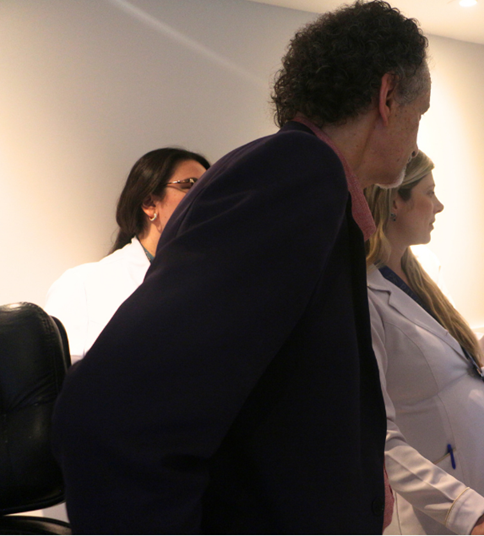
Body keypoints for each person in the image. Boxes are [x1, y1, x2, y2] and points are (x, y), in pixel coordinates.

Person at [50, 1, 430, 533]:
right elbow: (109, 417)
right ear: (388, 97)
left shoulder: (302, 182)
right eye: (421, 113)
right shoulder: (299, 171)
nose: (417, 137)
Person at [365, 151, 484, 535]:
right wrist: (469, 513)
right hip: (442, 508)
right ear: (395, 202)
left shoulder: (419, 270)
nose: (439, 205)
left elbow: (446, 364)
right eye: (429, 193)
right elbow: (379, 439)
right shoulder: (365, 296)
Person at [44, 148, 210, 363]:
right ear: (150, 204)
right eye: (190, 185)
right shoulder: (83, 285)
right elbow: (60, 376)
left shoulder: (217, 283)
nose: (206, 197)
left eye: (209, 187)